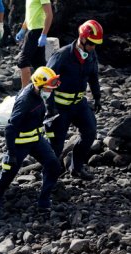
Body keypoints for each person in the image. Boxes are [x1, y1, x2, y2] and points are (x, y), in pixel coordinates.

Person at [0, 67, 61, 218]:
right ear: (38, 85)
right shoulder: (25, 101)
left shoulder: (42, 93)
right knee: (7, 174)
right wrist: (11, 153)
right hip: (20, 143)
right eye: (48, 88)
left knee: (53, 165)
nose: (50, 92)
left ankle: (43, 203)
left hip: (36, 139)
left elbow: (47, 107)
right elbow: (10, 128)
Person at [45, 20, 103, 180]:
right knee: (55, 145)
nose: (93, 47)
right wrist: (49, 107)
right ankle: (49, 178)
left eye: (96, 44)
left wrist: (97, 97)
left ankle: (76, 168)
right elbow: (46, 81)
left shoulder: (91, 54)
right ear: (82, 39)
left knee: (90, 132)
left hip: (79, 104)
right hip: (60, 107)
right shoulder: (62, 56)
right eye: (91, 43)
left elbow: (93, 76)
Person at [15, 0, 53, 88]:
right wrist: (23, 29)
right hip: (32, 30)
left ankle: (23, 91)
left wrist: (44, 34)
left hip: (37, 31)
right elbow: (30, 14)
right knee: (39, 63)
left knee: (23, 61)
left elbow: (49, 15)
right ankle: (45, 89)